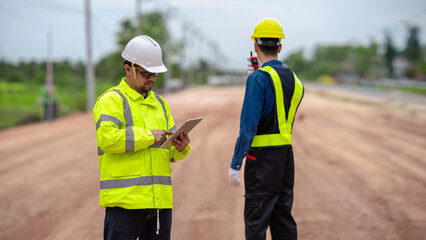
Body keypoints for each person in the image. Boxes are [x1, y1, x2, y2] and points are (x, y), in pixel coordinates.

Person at [93, 35, 191, 240]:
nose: (153, 78)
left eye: (156, 73)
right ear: (128, 69)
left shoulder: (161, 104)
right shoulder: (111, 100)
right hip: (125, 204)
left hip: (159, 203)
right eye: (146, 73)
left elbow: (168, 152)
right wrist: (147, 136)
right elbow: (107, 139)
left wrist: (180, 147)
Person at [228, 18, 304, 240]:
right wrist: (259, 73)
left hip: (261, 162)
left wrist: (236, 162)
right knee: (282, 219)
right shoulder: (296, 80)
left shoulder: (258, 79)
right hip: (285, 159)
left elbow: (248, 127)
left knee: (256, 222)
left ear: (255, 46)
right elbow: (278, 107)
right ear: (279, 46)